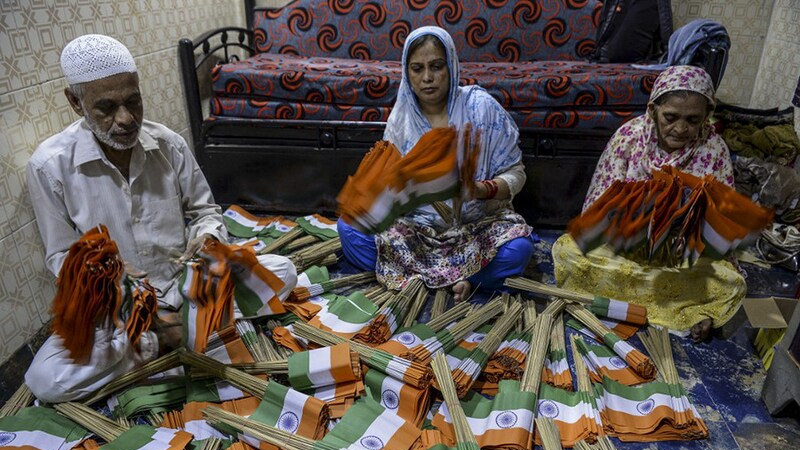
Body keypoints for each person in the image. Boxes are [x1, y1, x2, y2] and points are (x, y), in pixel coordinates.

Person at [25, 34, 296, 403]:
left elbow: (204, 212)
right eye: (106, 107)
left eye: (133, 101)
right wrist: (117, 287)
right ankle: (173, 337)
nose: (125, 119)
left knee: (282, 271)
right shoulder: (49, 166)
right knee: (45, 379)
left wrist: (208, 240)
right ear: (76, 102)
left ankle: (171, 336)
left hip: (185, 290)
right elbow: (61, 257)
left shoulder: (168, 143)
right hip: (118, 314)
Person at [337, 26, 536, 302]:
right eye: (417, 69)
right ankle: (464, 278)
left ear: (451, 66)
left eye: (436, 66)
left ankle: (422, 278)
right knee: (348, 228)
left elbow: (516, 173)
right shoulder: (401, 119)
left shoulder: (481, 109)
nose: (427, 78)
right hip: (417, 233)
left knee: (519, 249)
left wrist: (481, 189)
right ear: (407, 72)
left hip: (476, 228)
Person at [552, 65, 744, 342]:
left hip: (681, 255)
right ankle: (685, 309)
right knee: (569, 253)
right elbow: (598, 206)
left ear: (706, 118)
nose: (680, 129)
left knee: (729, 282)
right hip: (625, 246)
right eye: (671, 117)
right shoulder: (629, 138)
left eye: (693, 120)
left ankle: (688, 308)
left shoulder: (714, 149)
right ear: (653, 109)